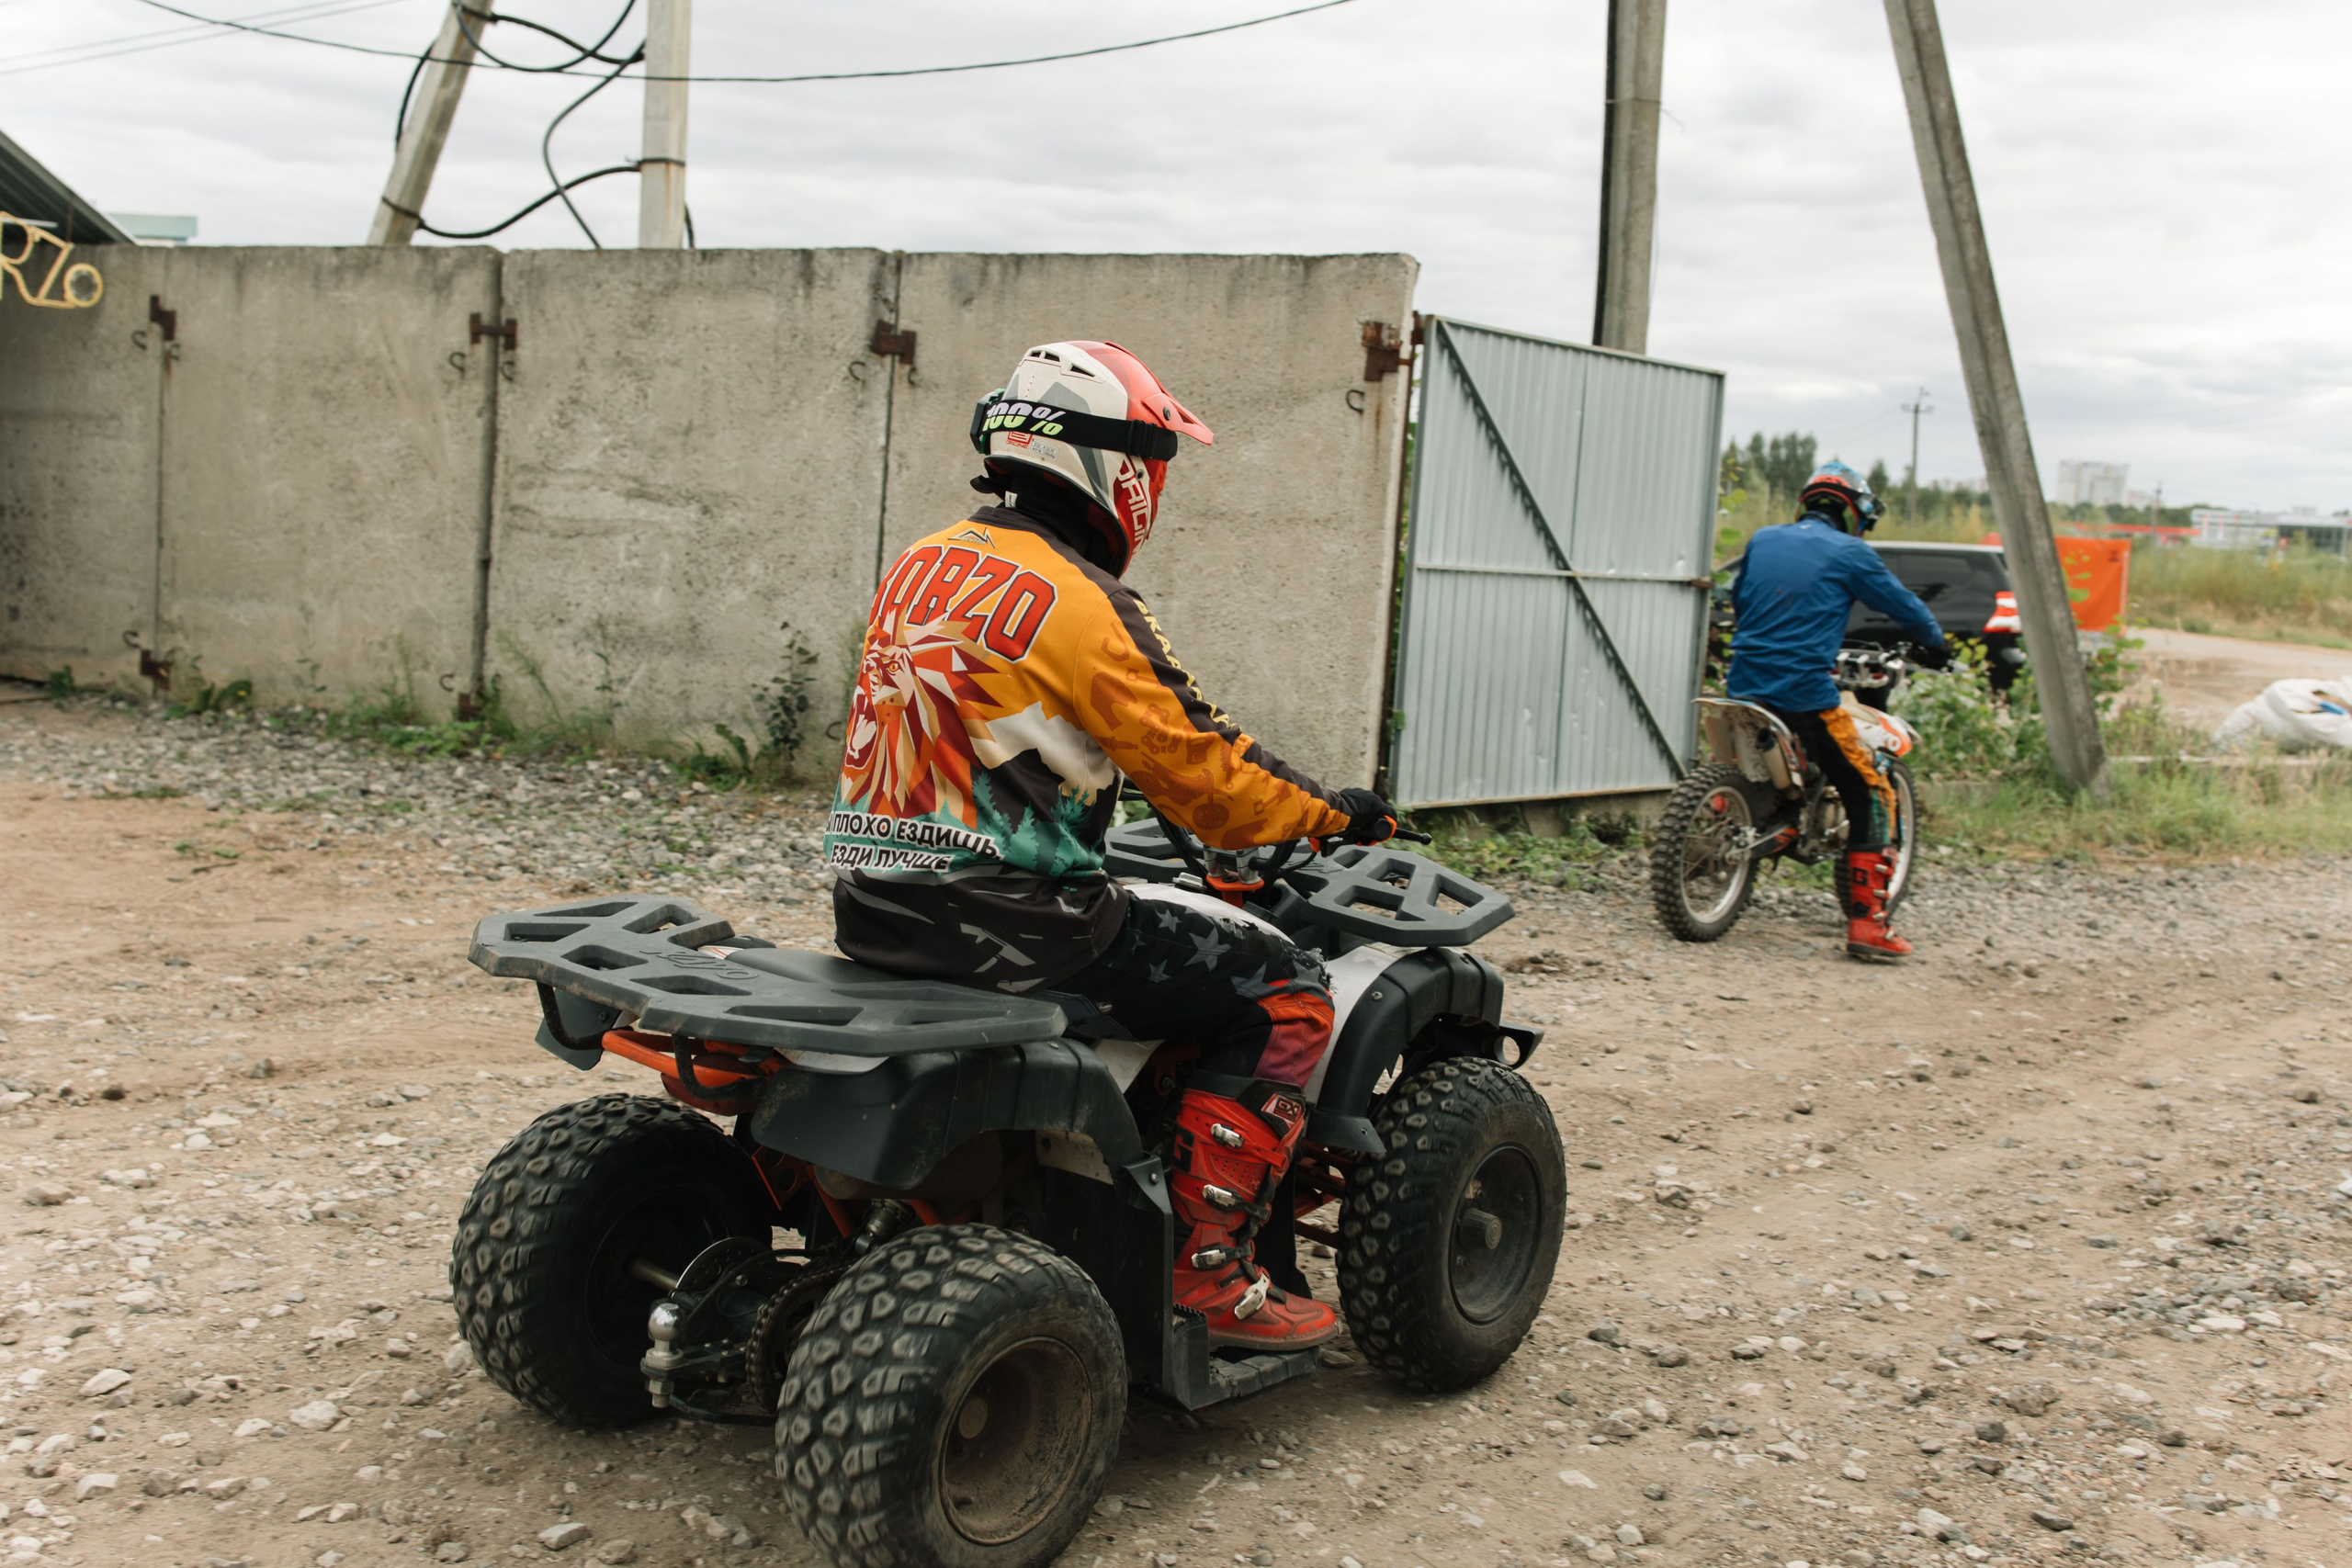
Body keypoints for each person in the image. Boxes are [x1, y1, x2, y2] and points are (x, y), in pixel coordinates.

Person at [822, 340, 1401, 1349]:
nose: (1157, 489)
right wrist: (1336, 811)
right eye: (1154, 466)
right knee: (1288, 992)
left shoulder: (919, 562)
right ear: (1113, 471)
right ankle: (1209, 1280)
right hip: (1021, 927)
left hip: (875, 904)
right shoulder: (1087, 603)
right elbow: (1213, 777)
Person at [1727, 460, 1950, 962]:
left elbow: (1742, 601)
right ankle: (1870, 927)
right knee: (1871, 787)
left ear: (1808, 501)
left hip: (1743, 686)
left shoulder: (1764, 539)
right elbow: (1906, 608)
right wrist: (1935, 645)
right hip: (1804, 694)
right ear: (1854, 512)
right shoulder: (1851, 552)